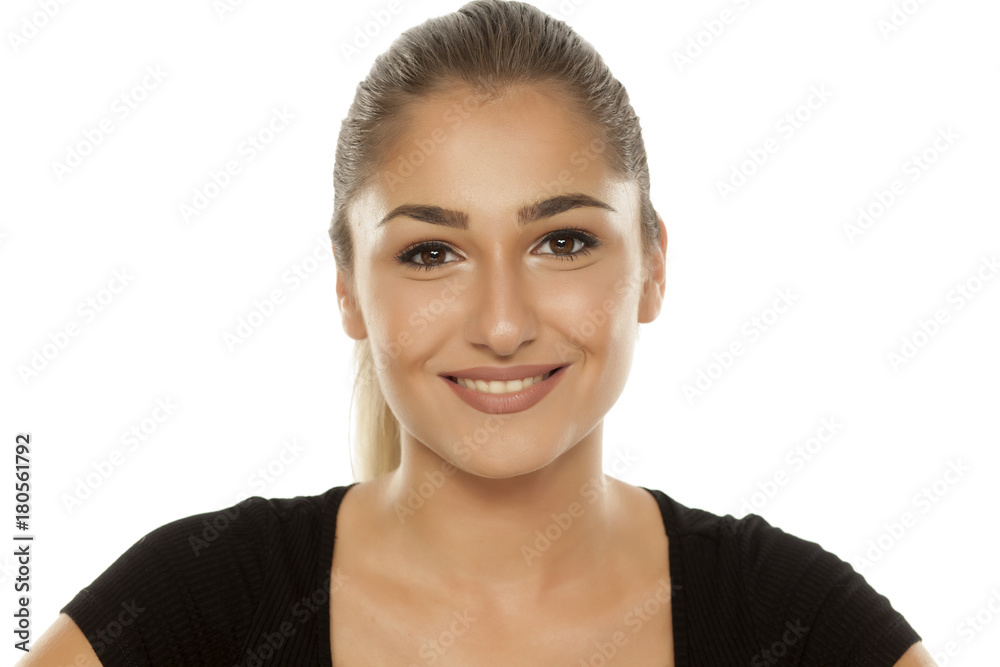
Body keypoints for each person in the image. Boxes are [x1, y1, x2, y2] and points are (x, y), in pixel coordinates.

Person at [21, 1, 936, 665]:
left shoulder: (800, 623)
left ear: (653, 265)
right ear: (348, 289)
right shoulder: (197, 607)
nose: (502, 324)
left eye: (563, 241)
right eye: (430, 253)